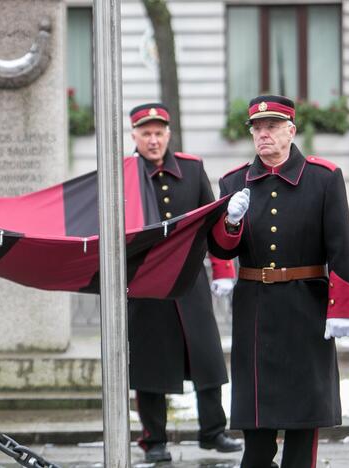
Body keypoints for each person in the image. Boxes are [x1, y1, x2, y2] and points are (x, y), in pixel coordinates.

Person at [208, 95, 349, 468]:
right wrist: (229, 223)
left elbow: (340, 247)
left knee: (303, 427)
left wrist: (342, 309)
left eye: (272, 127)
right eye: (257, 128)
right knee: (257, 434)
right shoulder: (234, 181)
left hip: (307, 307)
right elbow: (222, 251)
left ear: (291, 130)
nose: (263, 135)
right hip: (255, 311)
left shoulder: (324, 178)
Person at [126, 103, 242, 463]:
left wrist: (223, 270)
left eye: (159, 132)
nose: (153, 139)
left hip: (189, 280)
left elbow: (211, 222)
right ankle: (154, 440)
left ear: (168, 134)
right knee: (150, 366)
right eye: (146, 133)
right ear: (135, 136)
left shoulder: (191, 170)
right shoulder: (124, 174)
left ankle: (212, 432)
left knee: (206, 357)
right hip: (145, 285)